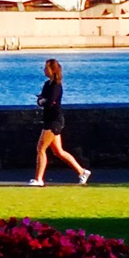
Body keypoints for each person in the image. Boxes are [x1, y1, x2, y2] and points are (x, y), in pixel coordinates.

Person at [29, 58, 91, 186]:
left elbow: (51, 102)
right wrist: (41, 101)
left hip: (54, 121)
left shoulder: (57, 86)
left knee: (41, 148)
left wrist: (43, 101)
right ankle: (82, 171)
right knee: (58, 151)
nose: (44, 70)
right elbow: (43, 100)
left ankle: (39, 179)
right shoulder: (47, 84)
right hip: (48, 119)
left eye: (46, 68)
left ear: (53, 70)